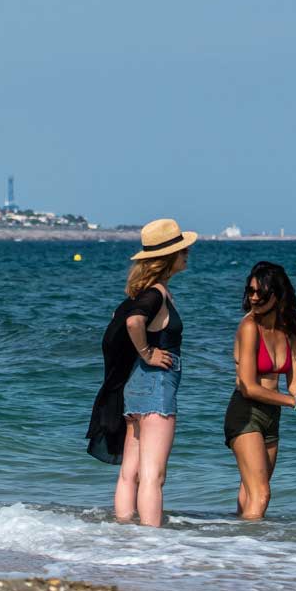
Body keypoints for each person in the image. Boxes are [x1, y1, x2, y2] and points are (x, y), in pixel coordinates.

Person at [85, 218, 195, 527]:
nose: (187, 253)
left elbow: (128, 320)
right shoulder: (155, 294)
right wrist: (147, 352)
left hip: (134, 387)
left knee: (129, 473)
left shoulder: (143, 292)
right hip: (156, 386)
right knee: (153, 475)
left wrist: (142, 353)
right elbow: (134, 322)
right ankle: (151, 544)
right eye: (182, 249)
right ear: (168, 257)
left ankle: (124, 534)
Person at [226, 262, 296, 519]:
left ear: (277, 295)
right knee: (262, 494)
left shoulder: (291, 327)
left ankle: (234, 549)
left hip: (271, 417)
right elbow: (249, 388)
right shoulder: (248, 327)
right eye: (250, 291)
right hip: (245, 414)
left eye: (261, 293)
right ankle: (254, 553)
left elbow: (295, 383)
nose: (254, 297)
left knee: (249, 491)